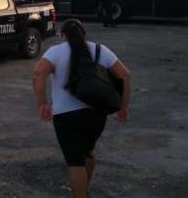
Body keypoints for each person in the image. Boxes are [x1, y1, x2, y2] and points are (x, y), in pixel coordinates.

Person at [32, 19, 131, 198]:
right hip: (96, 113)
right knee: (87, 151)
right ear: (84, 33)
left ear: (63, 36)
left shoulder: (55, 52)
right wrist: (123, 108)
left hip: (65, 117)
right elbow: (125, 75)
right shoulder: (101, 50)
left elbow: (38, 74)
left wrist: (42, 104)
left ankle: (80, 194)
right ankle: (85, 191)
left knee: (75, 161)